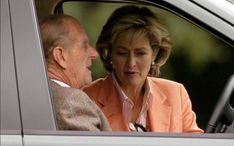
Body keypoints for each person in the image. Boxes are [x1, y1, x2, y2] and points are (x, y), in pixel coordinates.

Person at [83, 5, 203, 133]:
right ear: (110, 53)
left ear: (155, 54)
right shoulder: (88, 99)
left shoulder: (176, 94)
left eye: (140, 53)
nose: (131, 63)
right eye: (122, 53)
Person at [39, 14, 111, 131]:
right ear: (61, 56)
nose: (94, 54)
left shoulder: (37, 92)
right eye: (84, 46)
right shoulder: (71, 102)